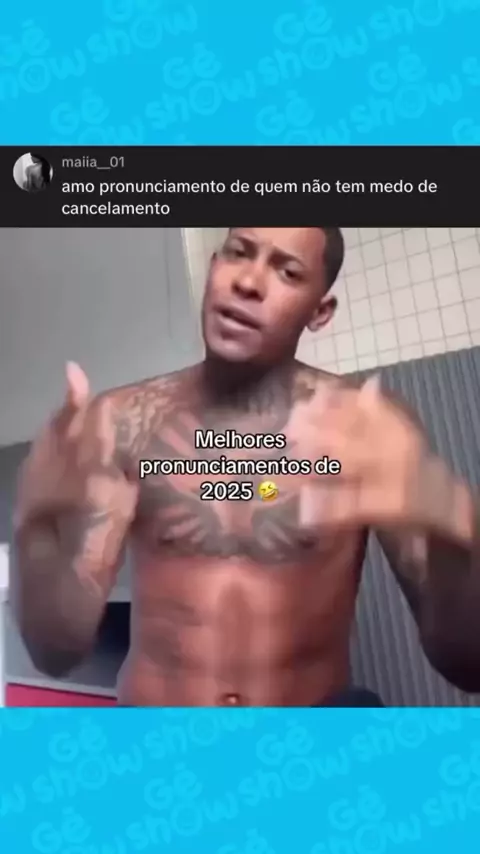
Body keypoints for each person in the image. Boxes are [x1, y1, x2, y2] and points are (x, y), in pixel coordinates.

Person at [12, 227, 480, 707]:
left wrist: (452, 538)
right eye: (238, 253)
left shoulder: (368, 427)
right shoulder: (122, 422)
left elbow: (468, 665)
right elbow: (56, 652)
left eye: (287, 272)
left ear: (319, 313)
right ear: (214, 266)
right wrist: (36, 530)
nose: (249, 282)